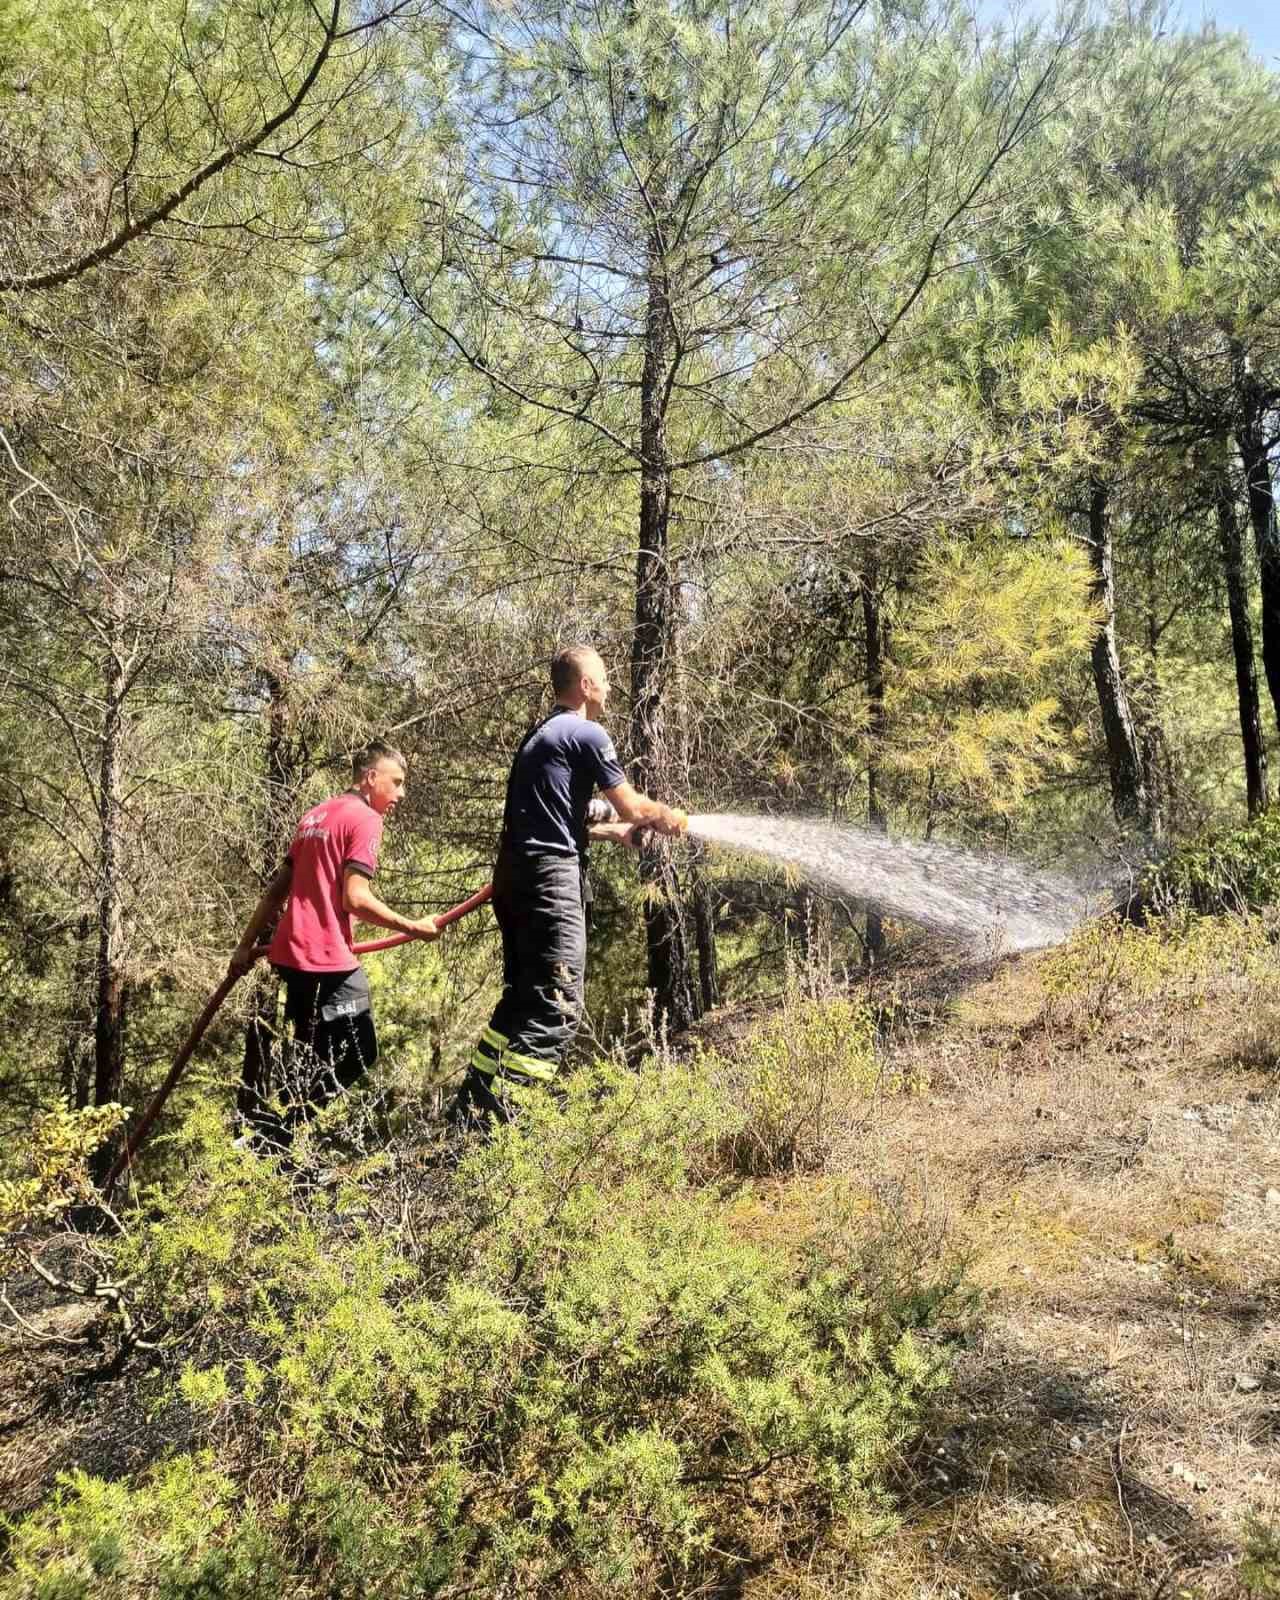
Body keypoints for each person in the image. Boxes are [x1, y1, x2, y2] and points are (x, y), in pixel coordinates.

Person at [450, 645, 687, 1130]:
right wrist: (667, 816)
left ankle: (469, 1116)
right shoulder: (586, 732)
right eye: (603, 678)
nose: (609, 686)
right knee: (557, 1005)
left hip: (515, 880)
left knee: (520, 999)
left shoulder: (541, 736)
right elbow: (632, 806)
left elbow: (562, 816)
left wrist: (613, 832)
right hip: (549, 882)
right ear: (584, 685)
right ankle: (503, 1131)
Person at [230, 740, 440, 1147]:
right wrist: (413, 926)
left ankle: (281, 1149)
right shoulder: (364, 819)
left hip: (289, 956)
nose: (400, 794)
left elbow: (276, 891)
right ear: (370, 777)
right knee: (360, 1050)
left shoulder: (315, 815)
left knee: (311, 1060)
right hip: (324, 957)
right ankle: (275, 1138)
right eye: (395, 783)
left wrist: (245, 947)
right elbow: (355, 898)